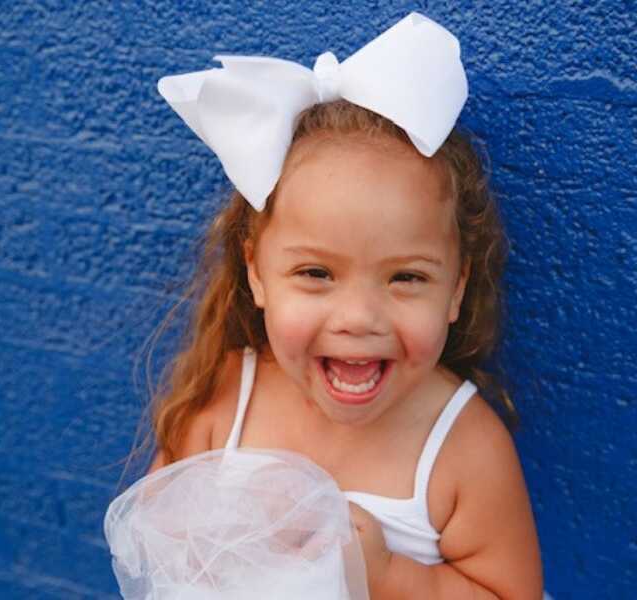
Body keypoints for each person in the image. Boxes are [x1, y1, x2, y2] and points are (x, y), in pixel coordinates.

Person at [127, 12, 544, 599]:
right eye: (316, 273)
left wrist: (389, 575)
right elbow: (157, 544)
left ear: (455, 289)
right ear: (256, 273)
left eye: (405, 277)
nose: (358, 318)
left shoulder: (462, 446)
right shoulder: (225, 399)